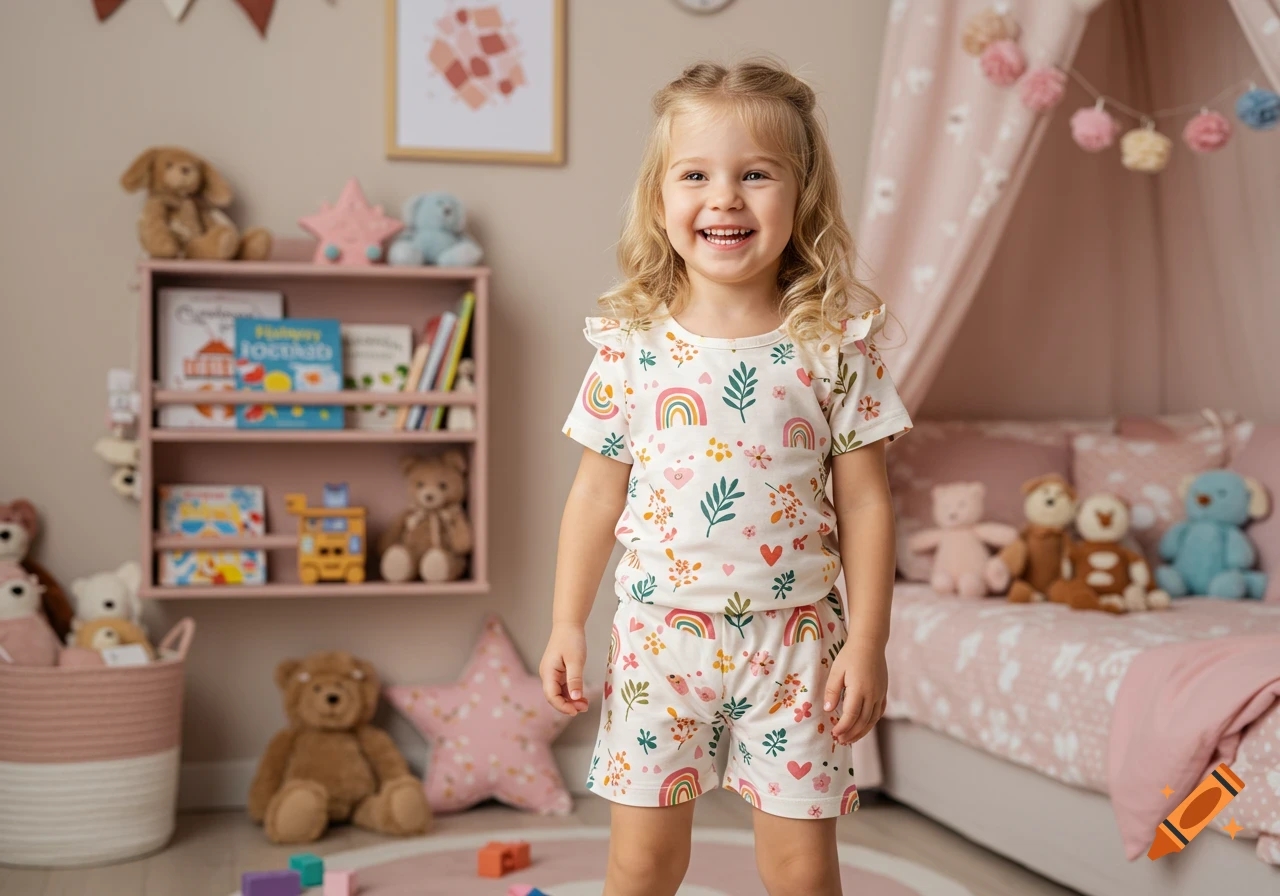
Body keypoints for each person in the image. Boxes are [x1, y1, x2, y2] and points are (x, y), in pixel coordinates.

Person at [540, 57, 912, 896]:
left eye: (755, 175)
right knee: (640, 865)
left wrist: (869, 642)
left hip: (797, 647)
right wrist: (566, 622)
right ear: (659, 198)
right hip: (656, 644)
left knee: (802, 871)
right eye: (696, 175)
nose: (725, 199)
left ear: (801, 195)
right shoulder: (630, 346)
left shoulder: (835, 345)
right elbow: (595, 495)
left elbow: (865, 504)